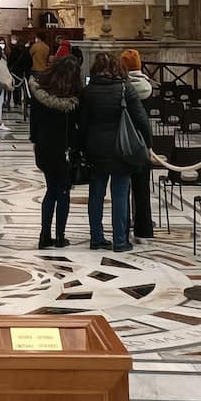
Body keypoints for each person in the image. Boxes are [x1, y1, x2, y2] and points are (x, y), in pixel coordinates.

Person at [79, 52, 151, 252]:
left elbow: (82, 124)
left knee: (96, 195)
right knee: (120, 195)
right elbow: (141, 119)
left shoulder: (88, 91)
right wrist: (149, 144)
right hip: (122, 148)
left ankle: (97, 238)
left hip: (95, 148)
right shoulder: (125, 88)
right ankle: (120, 240)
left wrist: (81, 147)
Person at [29, 55, 82, 249]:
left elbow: (33, 123)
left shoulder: (39, 93)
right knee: (63, 192)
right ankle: (60, 236)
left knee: (50, 190)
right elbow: (78, 125)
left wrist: (34, 142)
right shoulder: (73, 99)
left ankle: (44, 235)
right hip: (64, 149)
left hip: (43, 148)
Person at [120, 48, 157, 241]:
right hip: (143, 142)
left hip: (124, 140)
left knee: (123, 188)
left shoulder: (122, 88)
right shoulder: (149, 87)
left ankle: (123, 228)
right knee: (142, 188)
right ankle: (144, 228)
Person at [7, 35, 32, 107]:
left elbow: (10, 60)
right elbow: (30, 62)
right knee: (25, 88)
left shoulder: (14, 50)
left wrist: (10, 67)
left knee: (15, 87)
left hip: (15, 71)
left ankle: (16, 102)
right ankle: (26, 101)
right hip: (23, 71)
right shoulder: (26, 51)